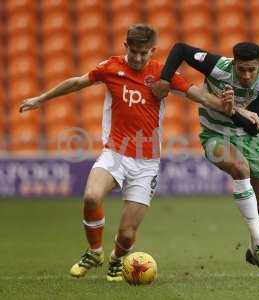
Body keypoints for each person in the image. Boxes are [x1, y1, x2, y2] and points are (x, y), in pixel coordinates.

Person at [19, 24, 237, 281]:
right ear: (126, 47)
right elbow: (77, 82)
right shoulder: (111, 67)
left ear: (152, 51)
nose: (137, 57)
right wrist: (40, 99)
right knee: (91, 197)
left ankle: (116, 260)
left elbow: (199, 96)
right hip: (116, 153)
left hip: (147, 163)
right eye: (133, 51)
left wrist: (224, 105)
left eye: (143, 53)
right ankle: (94, 251)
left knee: (126, 233)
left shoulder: (162, 73)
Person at [152, 41, 259, 278]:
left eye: (251, 70)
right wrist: (164, 78)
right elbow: (180, 49)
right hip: (214, 134)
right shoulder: (218, 66)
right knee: (240, 168)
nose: (246, 75)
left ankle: (255, 249)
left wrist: (232, 110)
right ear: (234, 64)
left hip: (247, 138)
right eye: (241, 69)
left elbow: (255, 127)